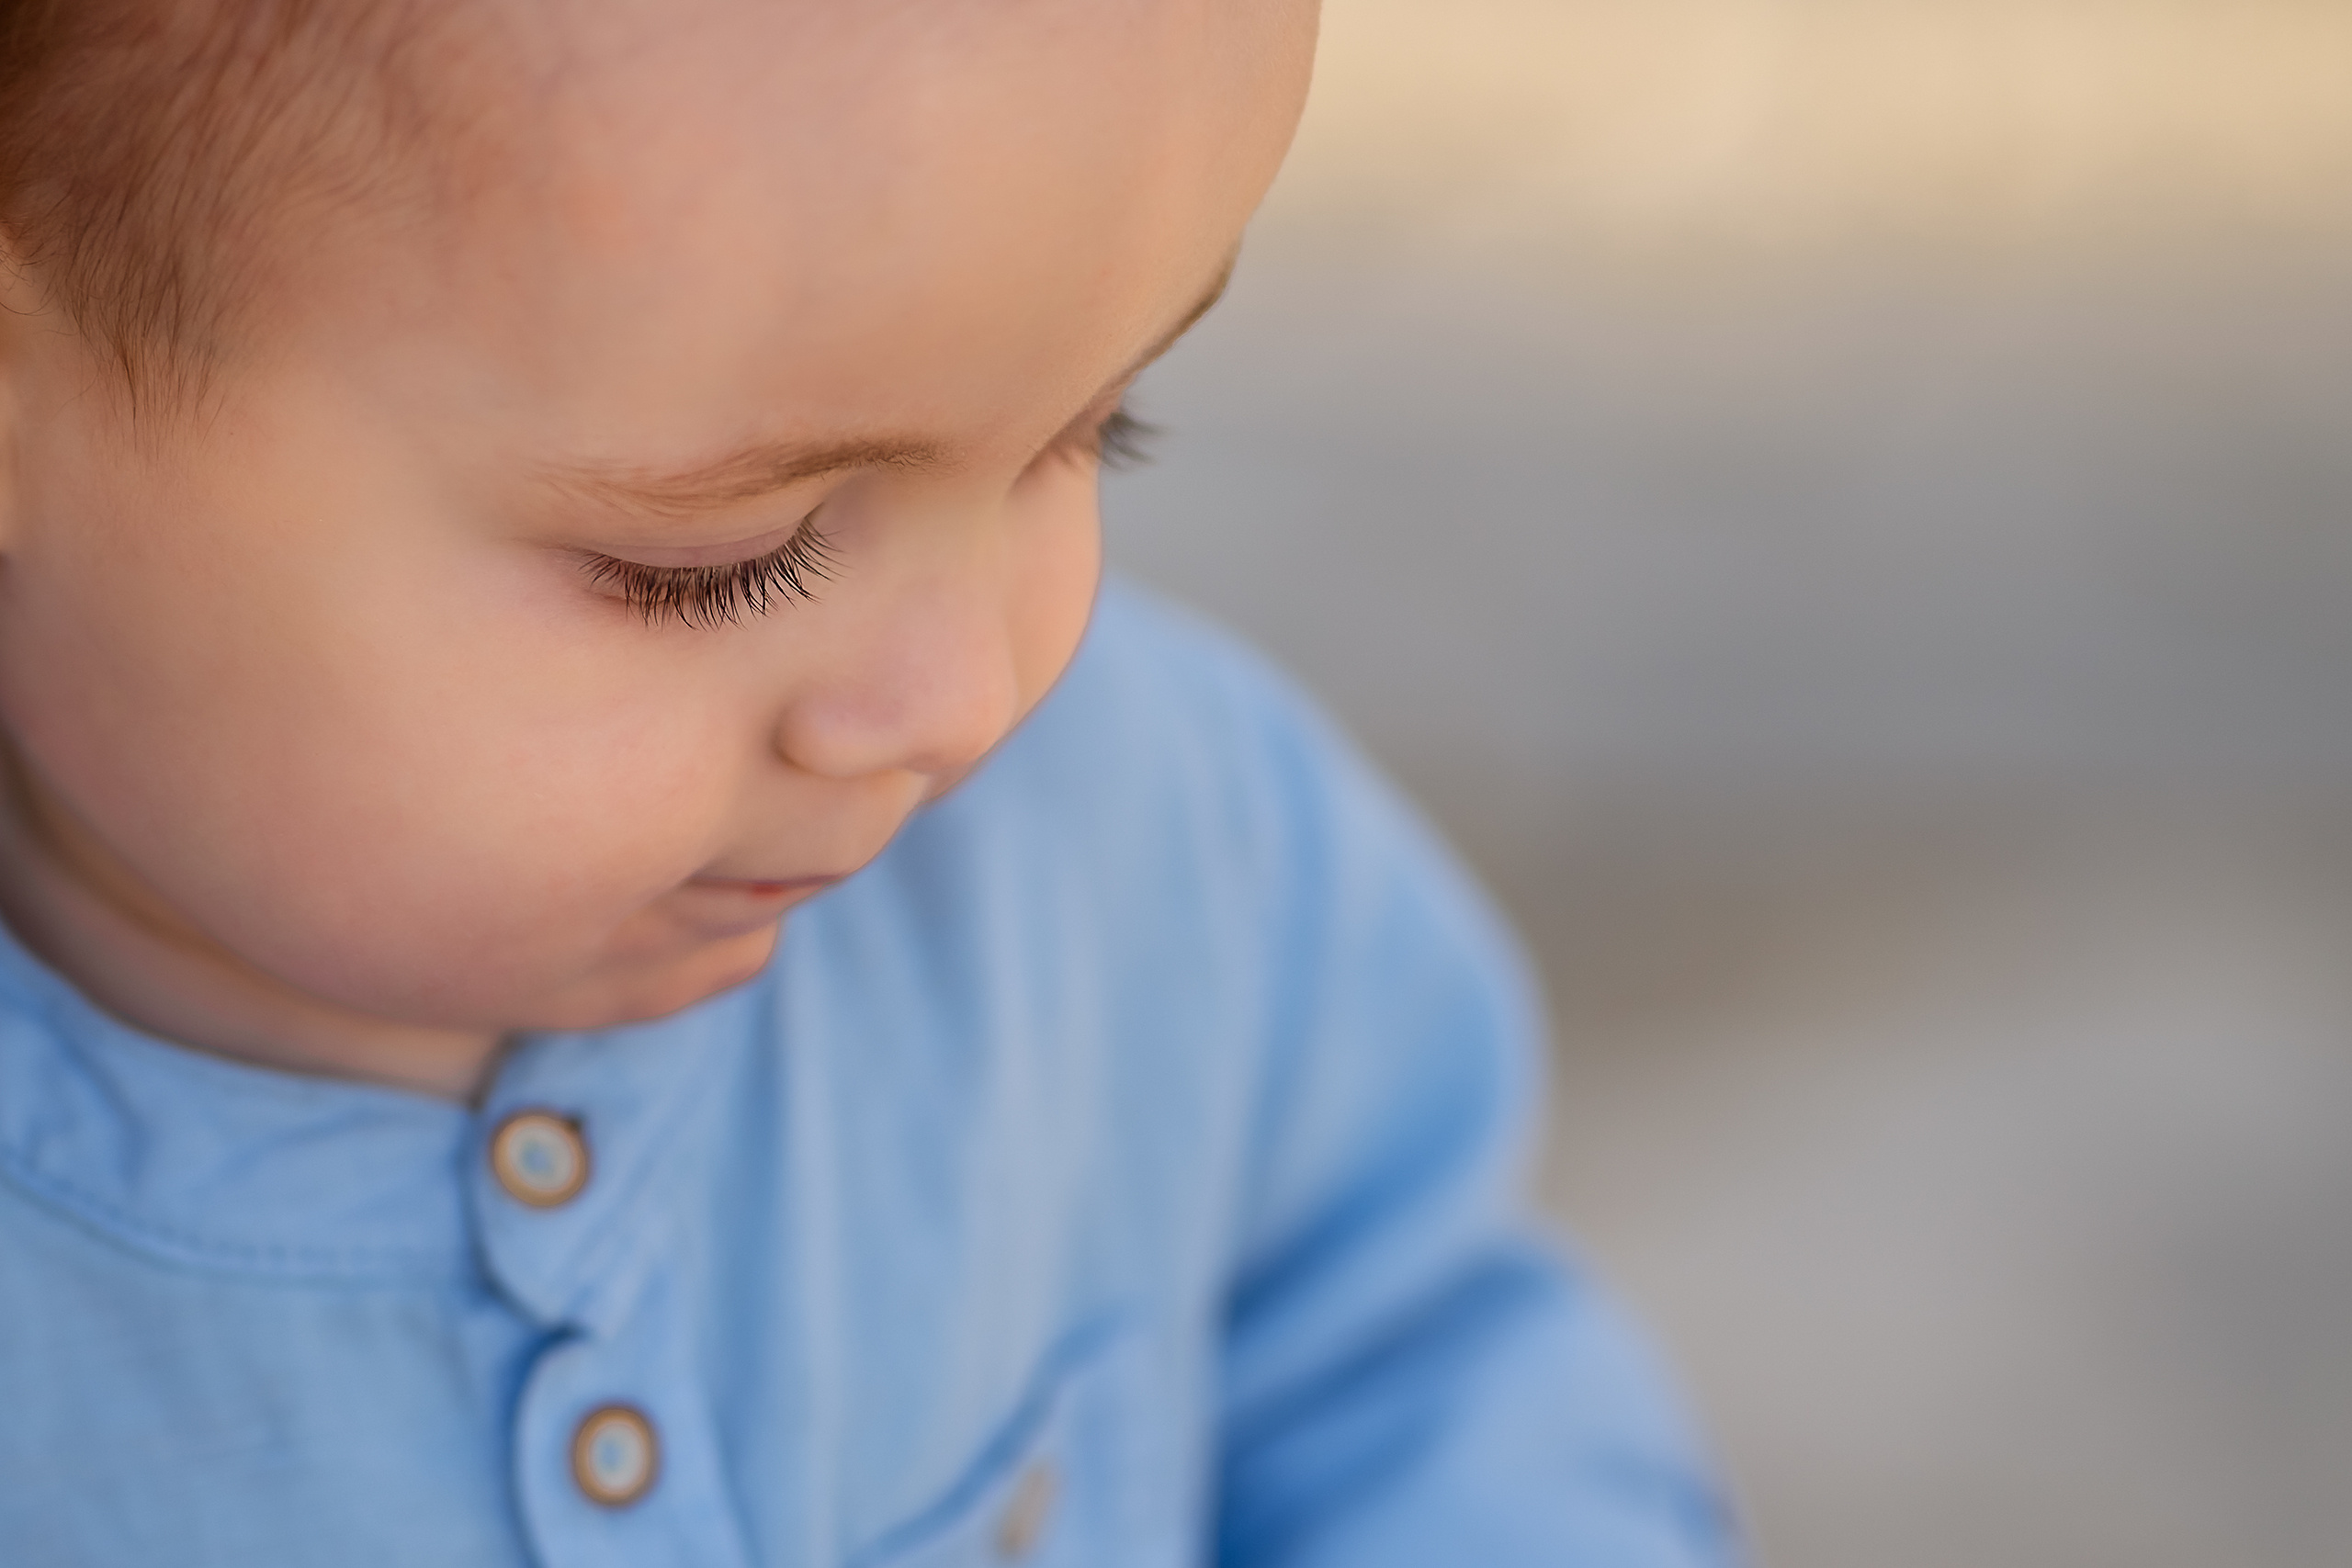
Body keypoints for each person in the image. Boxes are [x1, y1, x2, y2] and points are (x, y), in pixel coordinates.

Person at [0, 0, 1738, 1562]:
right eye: (723, 563)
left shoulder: (1149, 848)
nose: (965, 700)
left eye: (1085, 427)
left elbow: (1403, 1363)